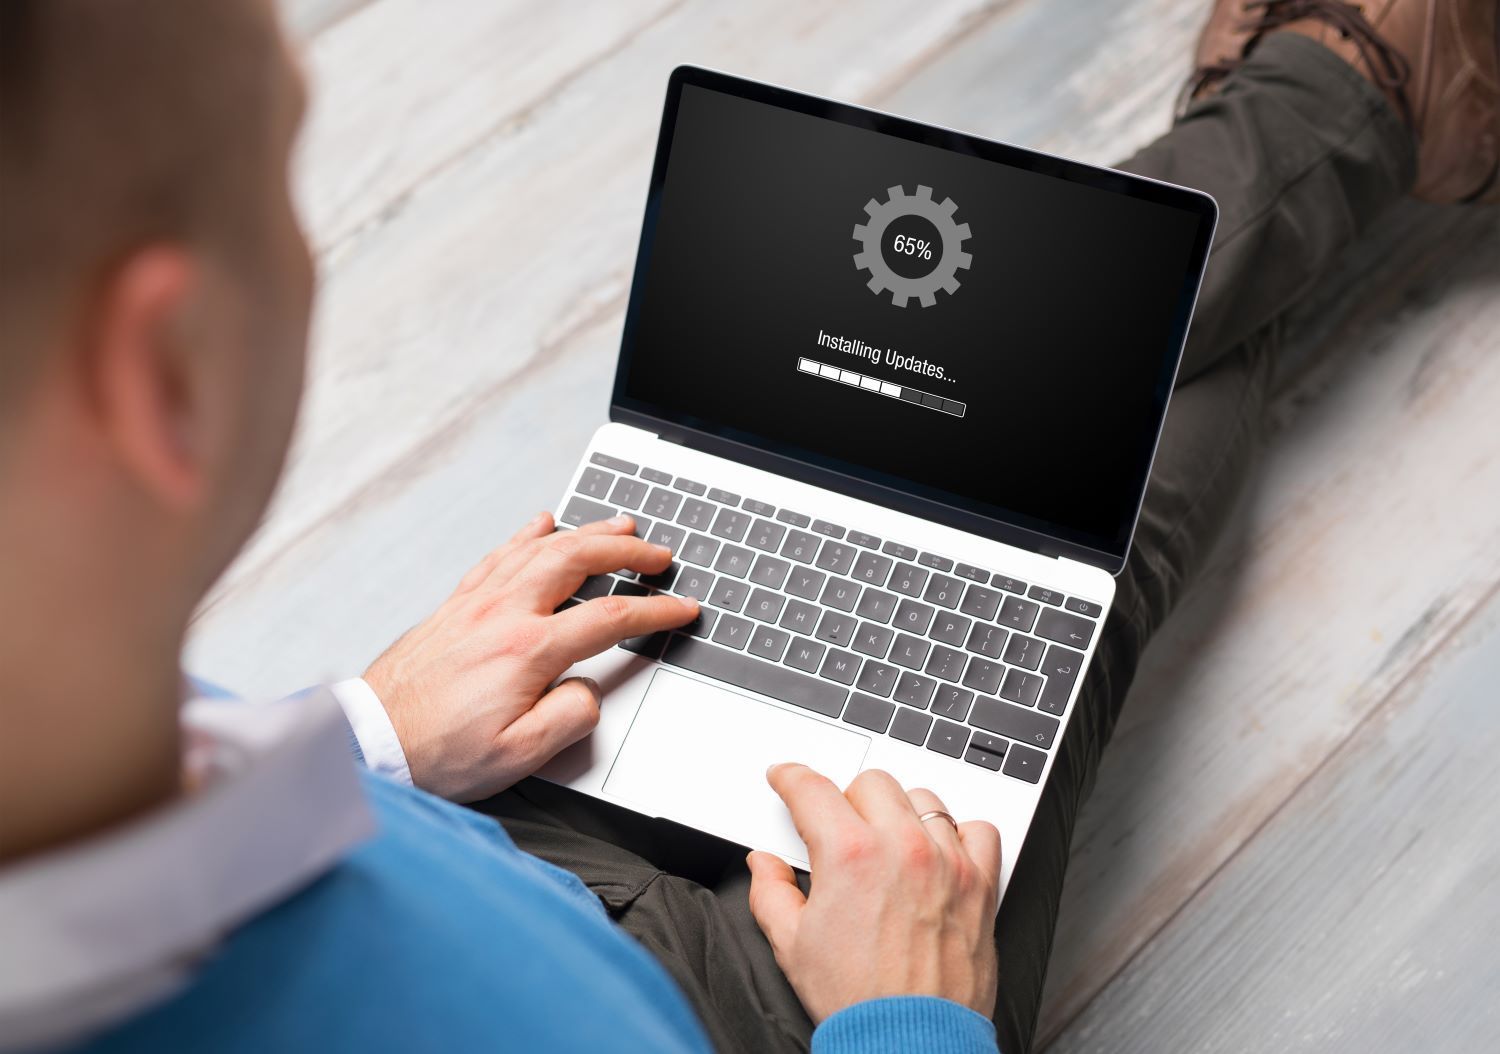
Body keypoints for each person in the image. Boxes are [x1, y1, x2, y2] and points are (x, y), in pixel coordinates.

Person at [0, 0, 1493, 1050]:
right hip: (739, 1015)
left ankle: (1333, 103)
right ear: (169, 373)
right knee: (1093, 537)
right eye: (287, 157)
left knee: (953, 475)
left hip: (461, 821)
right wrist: (901, 1021)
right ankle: (1339, 94)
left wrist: (367, 736)